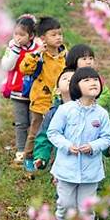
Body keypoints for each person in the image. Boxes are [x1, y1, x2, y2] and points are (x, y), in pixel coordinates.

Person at [47, 67, 110, 220]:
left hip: (90, 171)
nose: (93, 83)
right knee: (65, 203)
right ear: (76, 86)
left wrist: (93, 146)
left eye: (96, 80)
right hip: (66, 169)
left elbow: (107, 138)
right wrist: (66, 145)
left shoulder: (102, 114)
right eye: (87, 80)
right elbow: (53, 132)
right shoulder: (65, 109)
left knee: (87, 208)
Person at [19, 17, 66, 172]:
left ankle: (51, 160)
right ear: (43, 38)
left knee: (59, 132)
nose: (58, 37)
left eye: (60, 34)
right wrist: (36, 53)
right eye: (54, 34)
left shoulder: (65, 55)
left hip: (60, 102)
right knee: (36, 131)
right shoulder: (39, 56)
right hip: (41, 101)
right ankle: (29, 157)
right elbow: (24, 68)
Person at [0, 14, 40, 164]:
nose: (18, 37)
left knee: (34, 122)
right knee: (21, 123)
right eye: (16, 34)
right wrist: (15, 51)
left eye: (22, 35)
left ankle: (34, 150)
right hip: (17, 91)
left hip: (35, 92)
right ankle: (21, 150)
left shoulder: (38, 48)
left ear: (31, 36)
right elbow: (6, 66)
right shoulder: (11, 47)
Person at [65, 44, 110, 108]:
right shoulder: (67, 76)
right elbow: (59, 93)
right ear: (74, 60)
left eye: (91, 58)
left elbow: (105, 94)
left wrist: (94, 103)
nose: (88, 62)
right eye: (84, 59)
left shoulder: (95, 76)